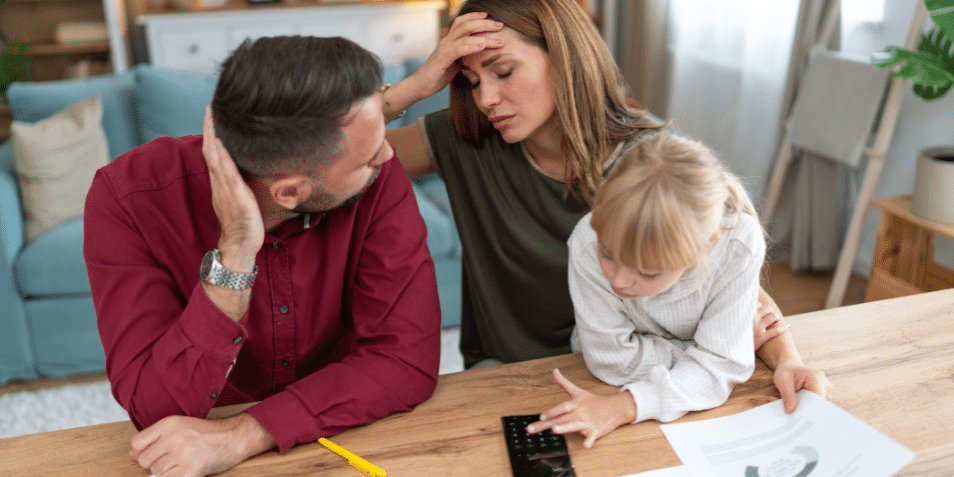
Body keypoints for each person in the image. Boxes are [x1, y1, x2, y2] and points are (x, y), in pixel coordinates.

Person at [381, 0, 830, 409]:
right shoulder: (463, 140)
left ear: (564, 57)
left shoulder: (650, 159)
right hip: (512, 373)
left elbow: (731, 271)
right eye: (472, 81)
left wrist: (785, 358)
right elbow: (337, 161)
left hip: (639, 379)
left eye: (502, 71)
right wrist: (414, 88)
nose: (486, 98)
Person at [83, 36, 441, 477]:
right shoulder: (127, 197)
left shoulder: (378, 175)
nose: (387, 156)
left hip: (350, 433)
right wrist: (235, 252)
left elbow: (405, 360)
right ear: (289, 192)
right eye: (366, 160)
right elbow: (155, 406)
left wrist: (245, 433)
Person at [528, 132, 769, 447]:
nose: (619, 282)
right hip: (600, 382)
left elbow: (722, 366)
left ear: (705, 245)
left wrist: (627, 406)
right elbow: (611, 362)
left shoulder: (739, 245)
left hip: (642, 403)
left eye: (648, 272)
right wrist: (708, 355)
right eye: (608, 256)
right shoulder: (586, 241)